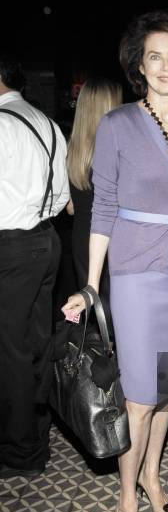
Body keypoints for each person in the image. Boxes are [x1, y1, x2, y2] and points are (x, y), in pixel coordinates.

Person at [62, 12, 168, 512]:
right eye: (155, 56)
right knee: (139, 397)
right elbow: (101, 208)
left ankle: (151, 474)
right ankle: (126, 500)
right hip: (137, 272)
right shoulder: (119, 124)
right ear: (138, 66)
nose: (166, 65)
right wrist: (90, 288)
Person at [0, 54, 69, 478]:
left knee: (9, 353)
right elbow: (61, 195)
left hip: (10, 247)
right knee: (35, 346)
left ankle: (17, 451)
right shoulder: (46, 123)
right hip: (46, 241)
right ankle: (37, 437)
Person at [66, 77, 123, 335]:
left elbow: (70, 208)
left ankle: (100, 369)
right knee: (118, 313)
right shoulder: (117, 150)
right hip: (113, 237)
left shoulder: (72, 149)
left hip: (81, 237)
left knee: (94, 311)